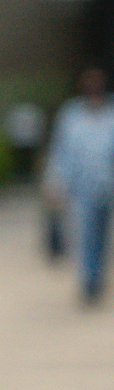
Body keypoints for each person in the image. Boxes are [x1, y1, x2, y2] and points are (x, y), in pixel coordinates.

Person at [43, 66, 114, 306]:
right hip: (81, 188)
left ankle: (98, 275)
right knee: (85, 234)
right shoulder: (71, 114)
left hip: (108, 187)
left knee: (103, 236)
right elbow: (60, 151)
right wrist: (54, 182)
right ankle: (89, 281)